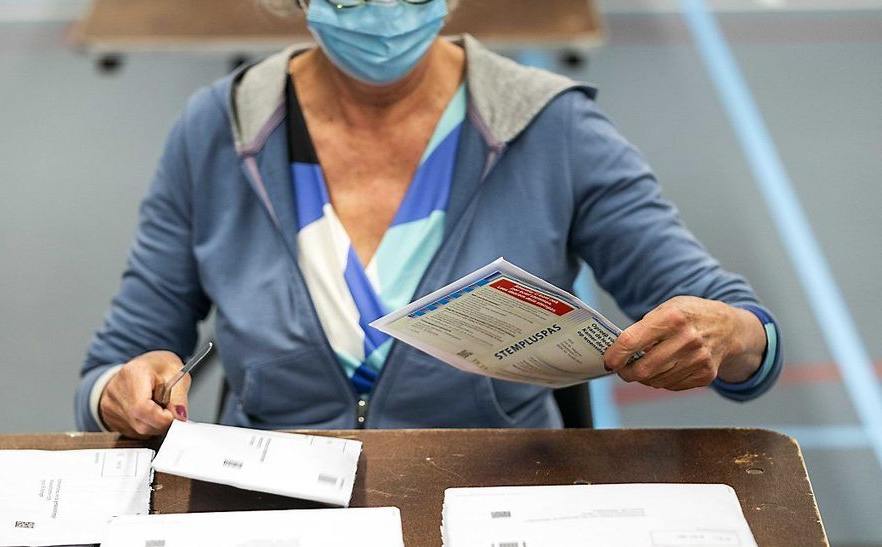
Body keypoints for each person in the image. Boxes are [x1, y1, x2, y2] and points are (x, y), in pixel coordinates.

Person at [75, 0, 782, 439]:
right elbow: (119, 359)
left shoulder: (556, 128)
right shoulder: (216, 132)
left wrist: (730, 335)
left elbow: (743, 333)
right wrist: (122, 393)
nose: (384, 9)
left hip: (493, 505)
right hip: (270, 515)